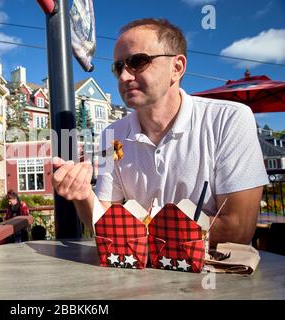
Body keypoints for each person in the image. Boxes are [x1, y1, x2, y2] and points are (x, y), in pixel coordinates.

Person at [52, 18, 268, 248]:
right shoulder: (111, 135)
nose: (124, 76)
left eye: (137, 62)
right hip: (141, 277)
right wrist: (84, 196)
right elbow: (103, 225)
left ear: (176, 68)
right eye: (118, 67)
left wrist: (137, 228)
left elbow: (239, 228)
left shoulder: (229, 119)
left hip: (214, 273)